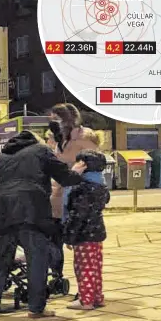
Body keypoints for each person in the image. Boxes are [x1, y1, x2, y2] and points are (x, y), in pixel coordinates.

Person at [0, 130, 86, 318]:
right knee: (37, 256)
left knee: (0, 257)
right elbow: (64, 176)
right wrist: (76, 172)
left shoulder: (2, 157)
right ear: (35, 140)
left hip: (0, 208)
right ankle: (36, 307)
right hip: (29, 208)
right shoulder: (41, 150)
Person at [49, 103, 100, 278]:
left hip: (78, 200)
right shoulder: (60, 139)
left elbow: (85, 165)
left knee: (81, 247)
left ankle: (86, 290)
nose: (53, 122)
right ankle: (57, 278)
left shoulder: (83, 138)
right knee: (55, 241)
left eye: (56, 118)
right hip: (58, 196)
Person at [64, 150, 109, 310]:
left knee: (84, 267)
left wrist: (68, 236)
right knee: (95, 266)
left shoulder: (81, 189)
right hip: (97, 232)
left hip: (83, 233)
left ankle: (86, 300)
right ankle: (97, 296)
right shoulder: (101, 187)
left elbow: (77, 215)